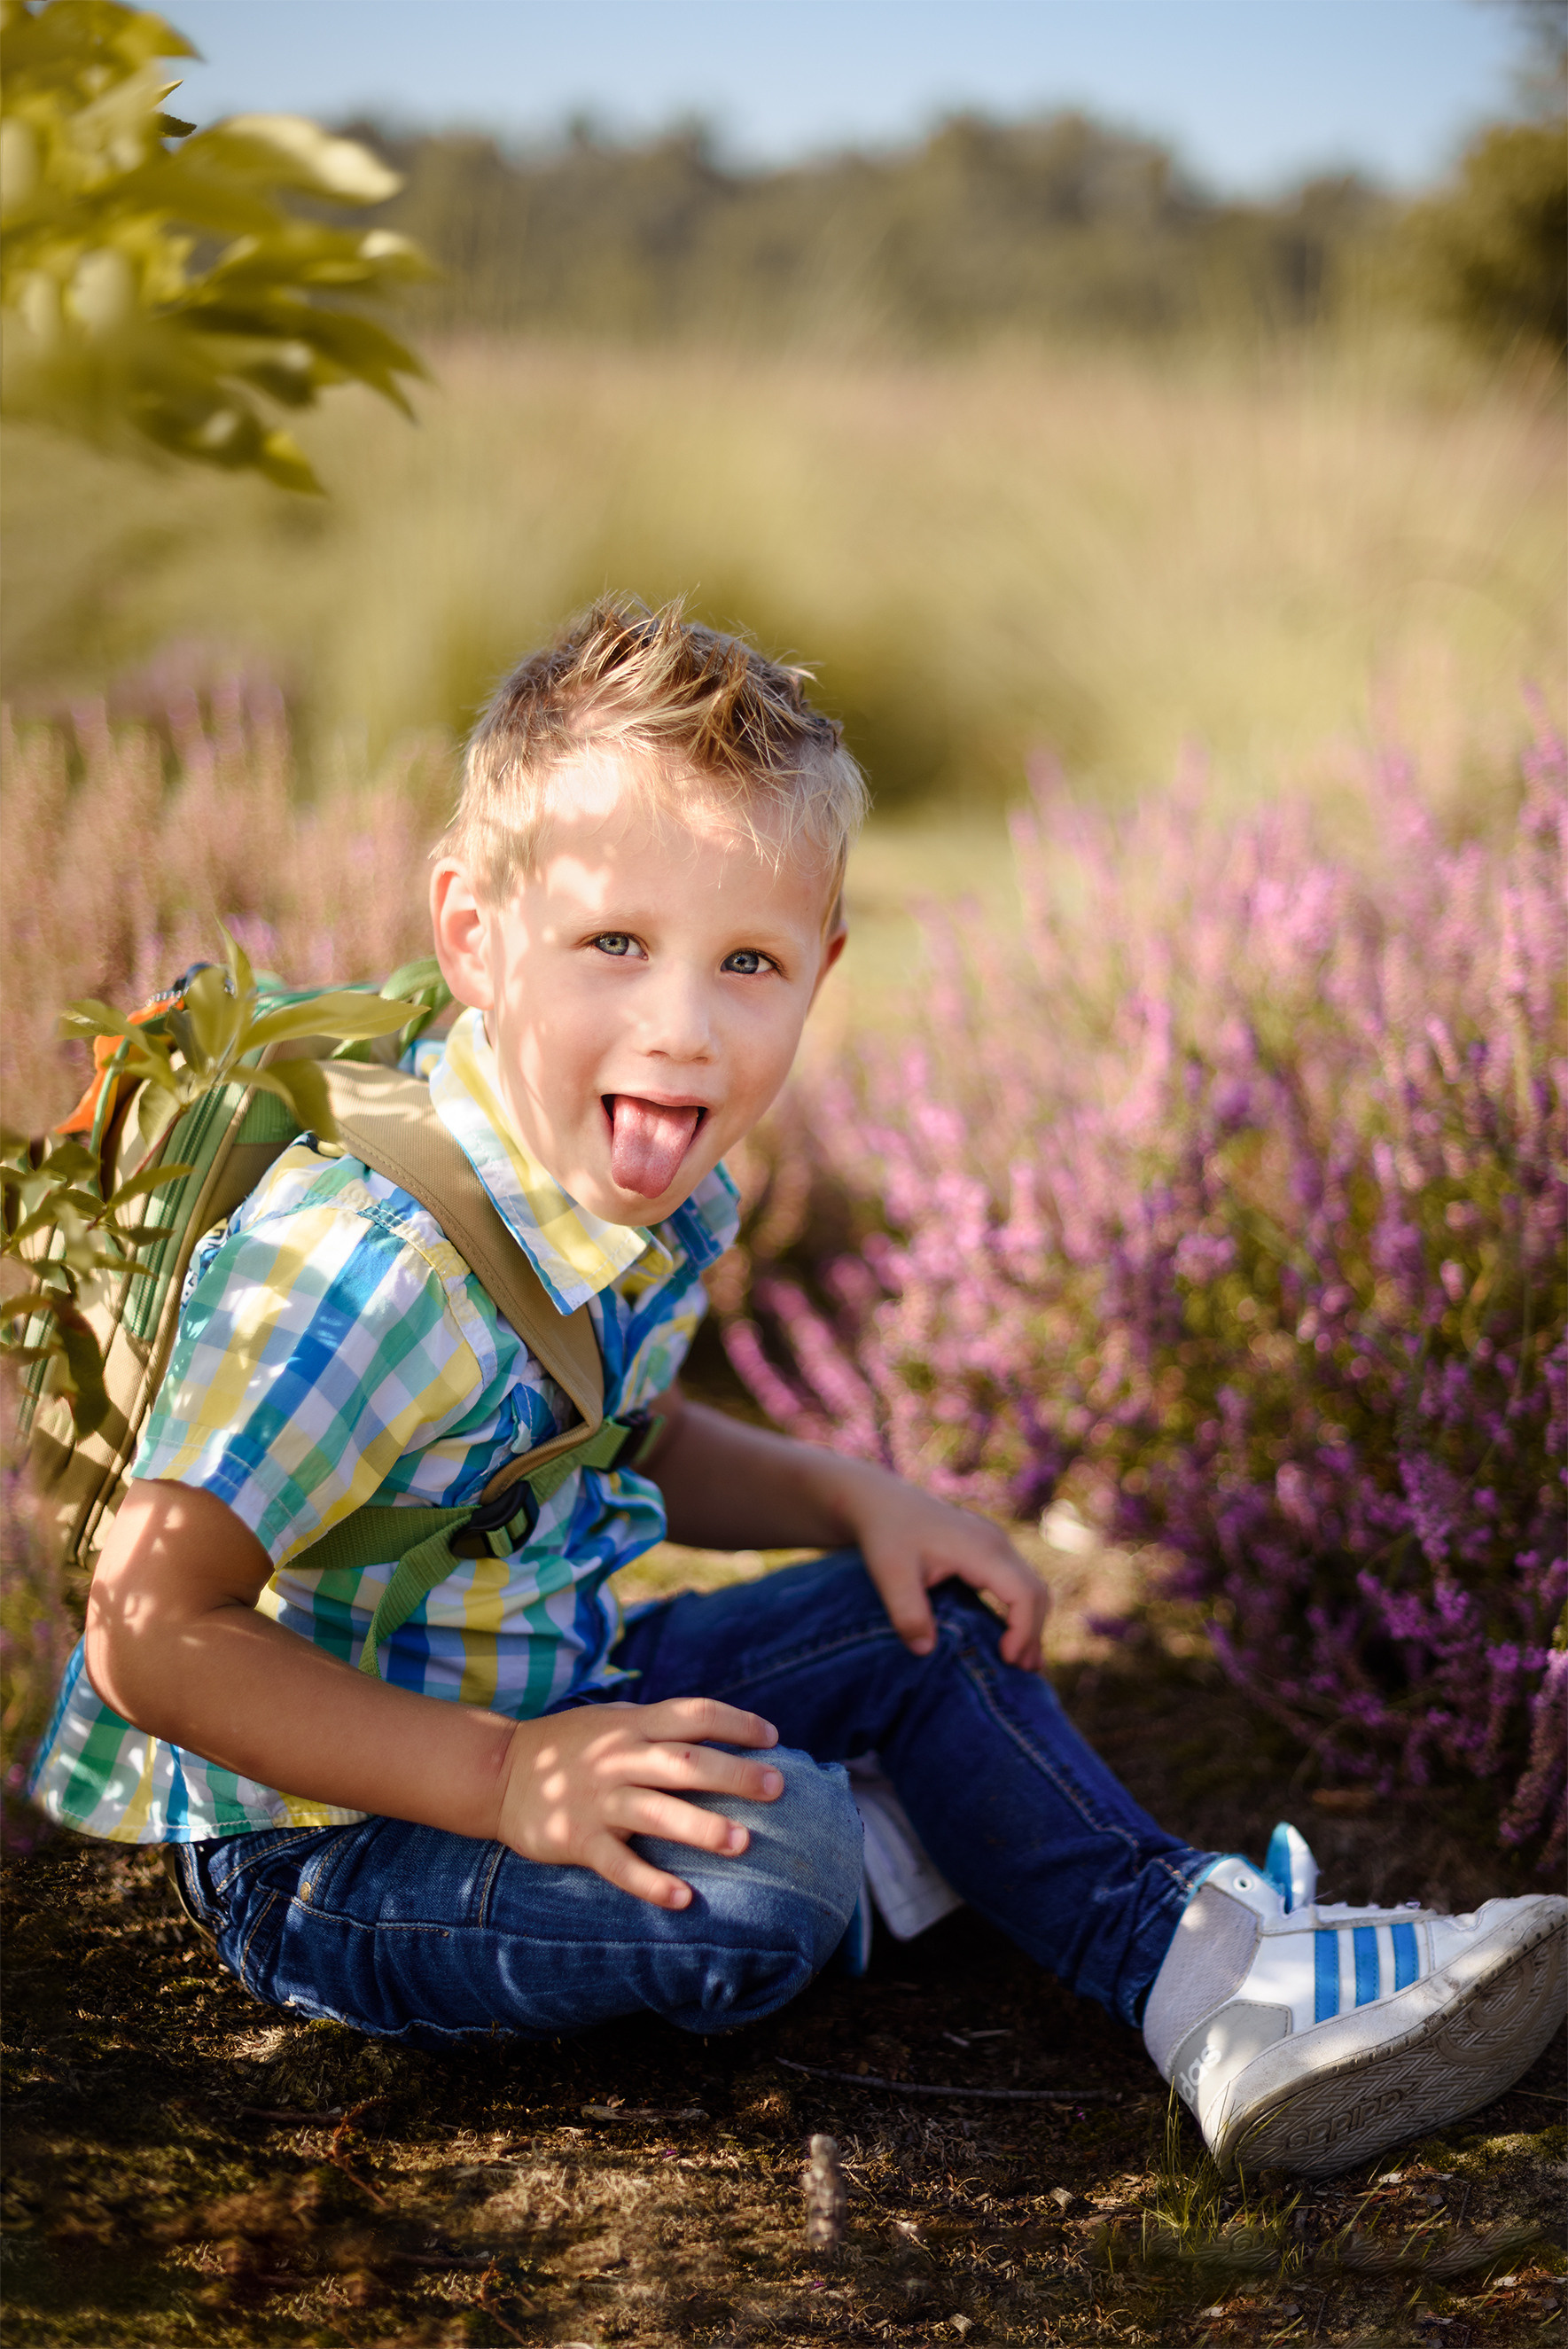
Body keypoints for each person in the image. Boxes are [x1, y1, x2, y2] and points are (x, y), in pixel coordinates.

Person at [31, 599, 1564, 2182]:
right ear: (472, 933)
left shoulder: (637, 1178)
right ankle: (929, 1827)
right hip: (328, 1843)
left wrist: (855, 1498)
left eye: (746, 962)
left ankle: (1207, 1984)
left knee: (930, 1620)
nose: (681, 1027)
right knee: (777, 1871)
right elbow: (149, 1632)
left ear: (821, 970)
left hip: (551, 1679)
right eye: (614, 944)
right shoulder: (369, 1279)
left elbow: (616, 1432)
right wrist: (503, 1776)